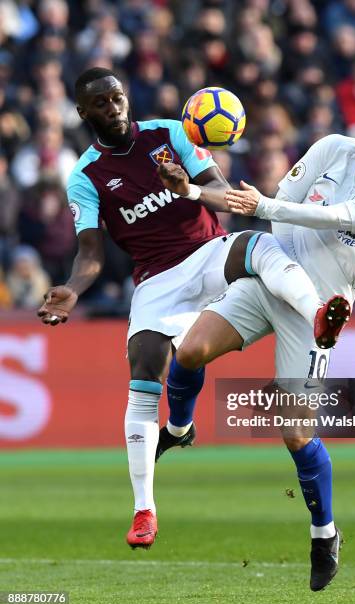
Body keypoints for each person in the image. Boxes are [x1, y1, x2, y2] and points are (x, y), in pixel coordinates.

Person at [36, 66, 338, 551]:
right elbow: (90, 252)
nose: (112, 108)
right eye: (100, 103)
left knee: (259, 247)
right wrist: (72, 288)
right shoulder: (85, 177)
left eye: (117, 97)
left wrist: (188, 190)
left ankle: (319, 312)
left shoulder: (171, 133)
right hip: (157, 278)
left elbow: (229, 198)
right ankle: (144, 510)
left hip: (208, 252)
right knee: (144, 369)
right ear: (83, 112)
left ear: (126, 97)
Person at [156, 95, 355, 591]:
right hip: (269, 277)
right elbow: (277, 213)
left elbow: (326, 215)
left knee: (294, 433)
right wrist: (192, 191)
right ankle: (179, 427)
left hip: (319, 308)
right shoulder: (331, 148)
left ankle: (325, 533)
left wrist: (269, 207)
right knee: (188, 349)